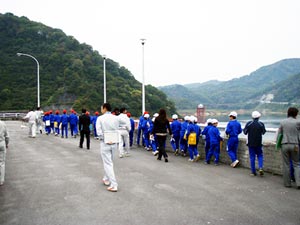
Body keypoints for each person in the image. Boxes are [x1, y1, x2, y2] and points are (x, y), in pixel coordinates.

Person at [96, 103, 120, 192]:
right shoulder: (116, 118)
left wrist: (105, 138)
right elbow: (117, 129)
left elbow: (99, 132)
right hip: (114, 142)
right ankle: (106, 178)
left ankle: (114, 184)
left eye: (101, 108)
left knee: (108, 163)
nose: (101, 110)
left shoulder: (100, 118)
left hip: (105, 143)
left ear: (105, 108)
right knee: (110, 162)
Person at [277, 107, 300, 188]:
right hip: (295, 145)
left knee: (286, 164)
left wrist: (278, 144)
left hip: (285, 144)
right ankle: (298, 183)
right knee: (296, 164)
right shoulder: (298, 122)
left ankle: (287, 183)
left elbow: (279, 134)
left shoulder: (283, 122)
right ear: (296, 114)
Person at [243, 111, 266, 176]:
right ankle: (260, 167)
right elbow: (264, 132)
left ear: (252, 117)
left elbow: (245, 132)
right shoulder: (261, 124)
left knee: (252, 156)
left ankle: (253, 171)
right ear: (259, 117)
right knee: (260, 155)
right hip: (259, 142)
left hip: (250, 142)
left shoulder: (249, 123)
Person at [0, 120, 9, 186]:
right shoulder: (2, 123)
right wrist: (7, 143)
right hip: (1, 143)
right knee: (2, 163)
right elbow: (7, 136)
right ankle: (1, 180)